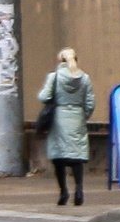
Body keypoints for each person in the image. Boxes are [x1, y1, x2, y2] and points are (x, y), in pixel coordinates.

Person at [38, 47, 94, 205]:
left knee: (59, 158)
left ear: (60, 61)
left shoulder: (54, 77)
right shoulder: (85, 78)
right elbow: (90, 102)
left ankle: (63, 192)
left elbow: (44, 96)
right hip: (77, 119)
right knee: (76, 157)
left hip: (58, 120)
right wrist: (83, 116)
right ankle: (79, 189)